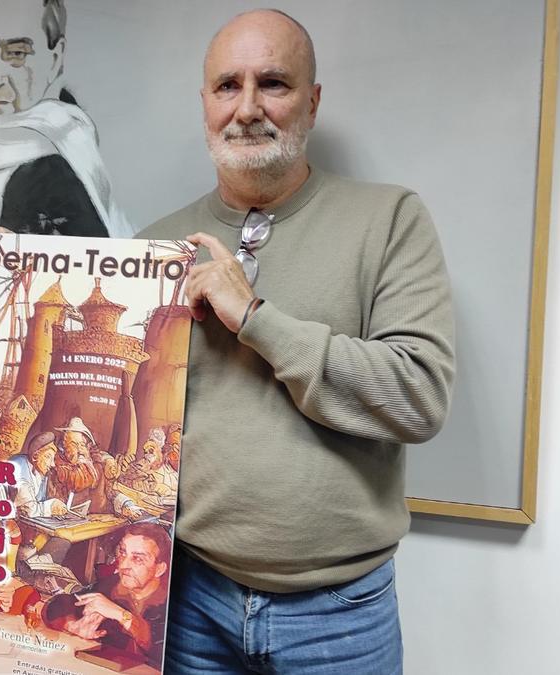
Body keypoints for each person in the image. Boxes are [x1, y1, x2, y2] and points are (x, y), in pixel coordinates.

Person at [139, 10, 456, 674]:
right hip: (189, 599)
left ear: (312, 102)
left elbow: (418, 394)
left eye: (273, 83)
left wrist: (254, 315)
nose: (247, 107)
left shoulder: (390, 219)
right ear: (205, 104)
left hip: (338, 618)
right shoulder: (154, 246)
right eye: (228, 85)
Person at [0, 0, 133, 237]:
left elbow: (96, 265)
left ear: (55, 58)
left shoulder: (64, 168)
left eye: (16, 54)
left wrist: (22, 261)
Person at [55, 523, 172, 668]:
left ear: (159, 569)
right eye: (123, 553)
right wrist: (71, 624)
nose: (123, 565)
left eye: (138, 559)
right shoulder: (113, 585)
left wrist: (121, 615)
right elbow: (60, 603)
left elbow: (163, 650)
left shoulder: (171, 602)